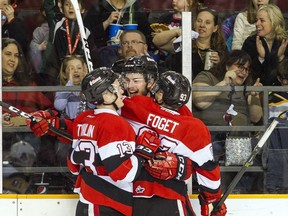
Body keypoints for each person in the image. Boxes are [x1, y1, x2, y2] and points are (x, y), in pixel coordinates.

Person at [119, 70, 227, 216]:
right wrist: (213, 197)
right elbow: (207, 169)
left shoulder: (138, 105)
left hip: (133, 193)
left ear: (161, 95)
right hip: (171, 195)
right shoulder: (195, 127)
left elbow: (112, 104)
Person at [67, 67, 161, 215]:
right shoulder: (114, 123)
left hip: (87, 201)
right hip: (108, 204)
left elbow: (73, 166)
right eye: (118, 87)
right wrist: (144, 151)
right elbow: (123, 173)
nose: (122, 91)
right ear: (106, 95)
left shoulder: (82, 119)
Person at [155, 7, 227, 77]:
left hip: (209, 88)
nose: (202, 25)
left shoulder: (221, 48)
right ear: (194, 24)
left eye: (207, 22)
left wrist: (219, 64)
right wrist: (176, 31)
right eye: (199, 21)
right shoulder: (185, 42)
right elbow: (156, 42)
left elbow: (229, 72)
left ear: (215, 28)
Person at [242, 4, 288, 86]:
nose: (257, 24)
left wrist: (281, 58)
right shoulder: (250, 43)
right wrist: (261, 58)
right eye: (257, 20)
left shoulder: (285, 43)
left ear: (274, 22)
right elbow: (245, 72)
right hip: (256, 92)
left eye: (262, 20)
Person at [84, 0, 153, 48]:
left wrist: (154, 33)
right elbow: (87, 35)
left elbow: (146, 31)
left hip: (132, 49)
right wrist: (107, 22)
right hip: (106, 50)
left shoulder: (135, 6)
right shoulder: (98, 6)